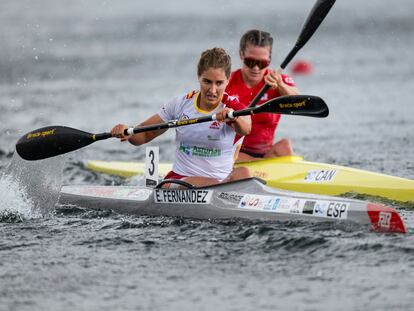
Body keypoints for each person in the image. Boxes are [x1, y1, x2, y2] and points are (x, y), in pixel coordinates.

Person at [111, 47, 252, 187]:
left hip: (221, 183)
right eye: (207, 82)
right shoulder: (181, 104)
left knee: (244, 173)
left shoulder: (234, 107)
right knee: (209, 184)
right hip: (182, 179)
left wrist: (233, 118)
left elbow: (246, 128)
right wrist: (128, 132)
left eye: (219, 83)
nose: (212, 90)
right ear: (199, 77)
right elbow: (145, 134)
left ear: (227, 80)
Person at [226, 29, 300, 161]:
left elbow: (299, 105)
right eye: (250, 62)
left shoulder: (279, 80)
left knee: (285, 146)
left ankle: (263, 166)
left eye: (262, 63)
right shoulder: (227, 82)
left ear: (269, 60)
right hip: (234, 152)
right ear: (241, 54)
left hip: (265, 152)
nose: (255, 68)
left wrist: (280, 86)